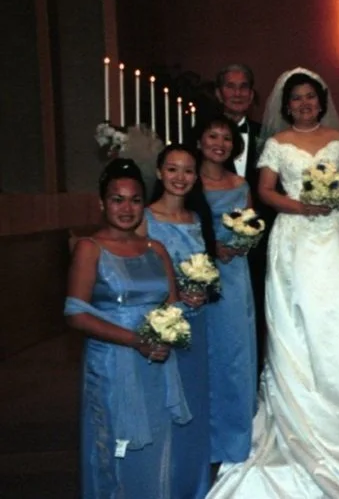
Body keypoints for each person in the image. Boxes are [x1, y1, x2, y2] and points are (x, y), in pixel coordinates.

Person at [207, 68, 339, 498]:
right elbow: (265, 192)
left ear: (321, 100)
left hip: (333, 236)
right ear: (285, 105)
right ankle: (295, 403)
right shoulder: (275, 144)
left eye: (310, 97)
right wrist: (301, 206)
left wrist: (331, 198)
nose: (304, 104)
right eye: (296, 99)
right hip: (294, 238)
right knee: (293, 321)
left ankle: (335, 397)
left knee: (335, 317)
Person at [64, 159, 191, 498]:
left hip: (157, 362)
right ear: (102, 203)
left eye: (135, 200)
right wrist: (137, 341)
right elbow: (75, 313)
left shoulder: (156, 249)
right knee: (114, 444)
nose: (126, 207)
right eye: (117, 199)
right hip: (113, 363)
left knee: (158, 442)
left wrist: (171, 327)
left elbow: (172, 305)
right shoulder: (90, 249)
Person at [139, 144, 216, 498]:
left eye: (187, 170)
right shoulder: (143, 218)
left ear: (196, 176)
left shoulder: (198, 219)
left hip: (197, 323)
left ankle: (192, 482)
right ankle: (159, 481)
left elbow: (208, 270)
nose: (180, 177)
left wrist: (203, 290)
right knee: (161, 402)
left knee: (194, 401)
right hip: (159, 323)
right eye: (172, 169)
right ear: (158, 172)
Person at [198, 115, 257, 465]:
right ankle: (204, 437)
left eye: (226, 138)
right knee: (205, 353)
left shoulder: (240, 182)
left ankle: (235, 435)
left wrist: (242, 242)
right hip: (200, 273)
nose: (219, 143)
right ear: (201, 140)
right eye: (212, 135)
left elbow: (250, 225)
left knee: (235, 353)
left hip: (235, 276)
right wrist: (210, 247)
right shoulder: (189, 181)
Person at [215, 63, 273, 374]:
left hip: (258, 250)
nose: (237, 93)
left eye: (243, 87)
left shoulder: (267, 137)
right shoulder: (199, 138)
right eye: (230, 86)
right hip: (212, 249)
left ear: (252, 94)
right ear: (218, 92)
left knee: (257, 319)